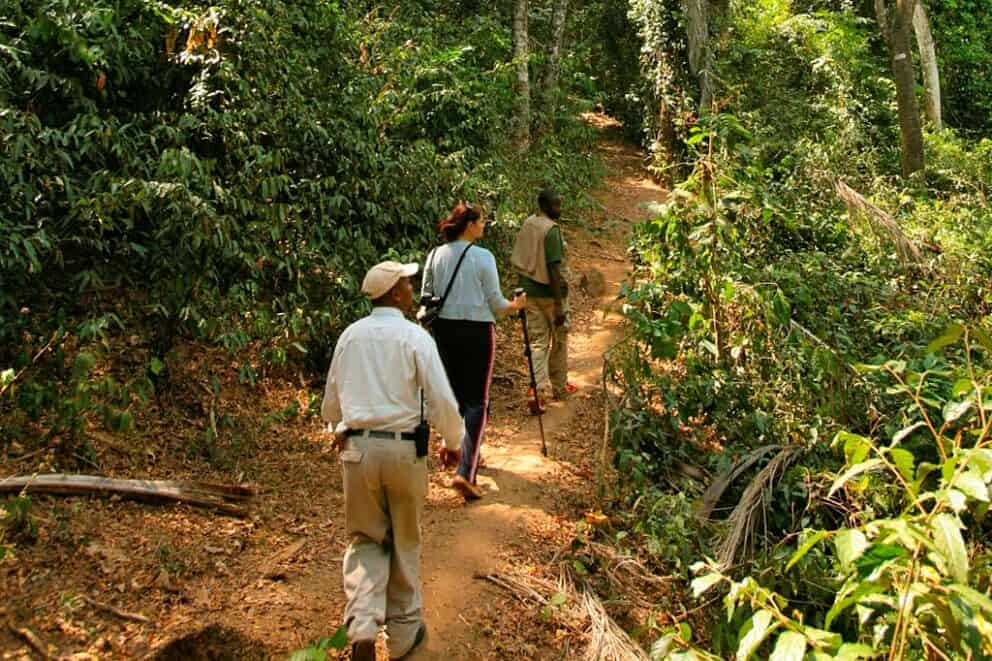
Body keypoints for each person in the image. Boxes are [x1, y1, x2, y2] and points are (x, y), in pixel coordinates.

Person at [321, 260, 466, 661]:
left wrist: (348, 423)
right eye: (406, 283)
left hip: (357, 452)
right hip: (404, 451)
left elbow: (331, 406)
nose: (410, 287)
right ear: (393, 293)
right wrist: (454, 441)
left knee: (365, 538)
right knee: (404, 540)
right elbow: (439, 398)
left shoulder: (350, 337)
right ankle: (403, 638)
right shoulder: (415, 338)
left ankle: (364, 625)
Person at [421, 202, 527, 501]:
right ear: (469, 224)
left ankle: (454, 447)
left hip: (443, 330)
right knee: (476, 400)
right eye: (481, 222)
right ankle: (466, 472)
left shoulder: (434, 255)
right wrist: (515, 306)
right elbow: (495, 302)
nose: (484, 226)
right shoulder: (483, 257)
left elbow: (426, 297)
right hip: (477, 331)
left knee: (452, 395)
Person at [511, 188, 574, 412]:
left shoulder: (529, 223)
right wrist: (558, 304)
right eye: (556, 205)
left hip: (529, 291)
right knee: (559, 339)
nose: (560, 208)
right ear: (546, 206)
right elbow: (553, 268)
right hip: (550, 295)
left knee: (537, 342)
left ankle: (537, 391)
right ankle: (558, 386)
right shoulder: (552, 230)